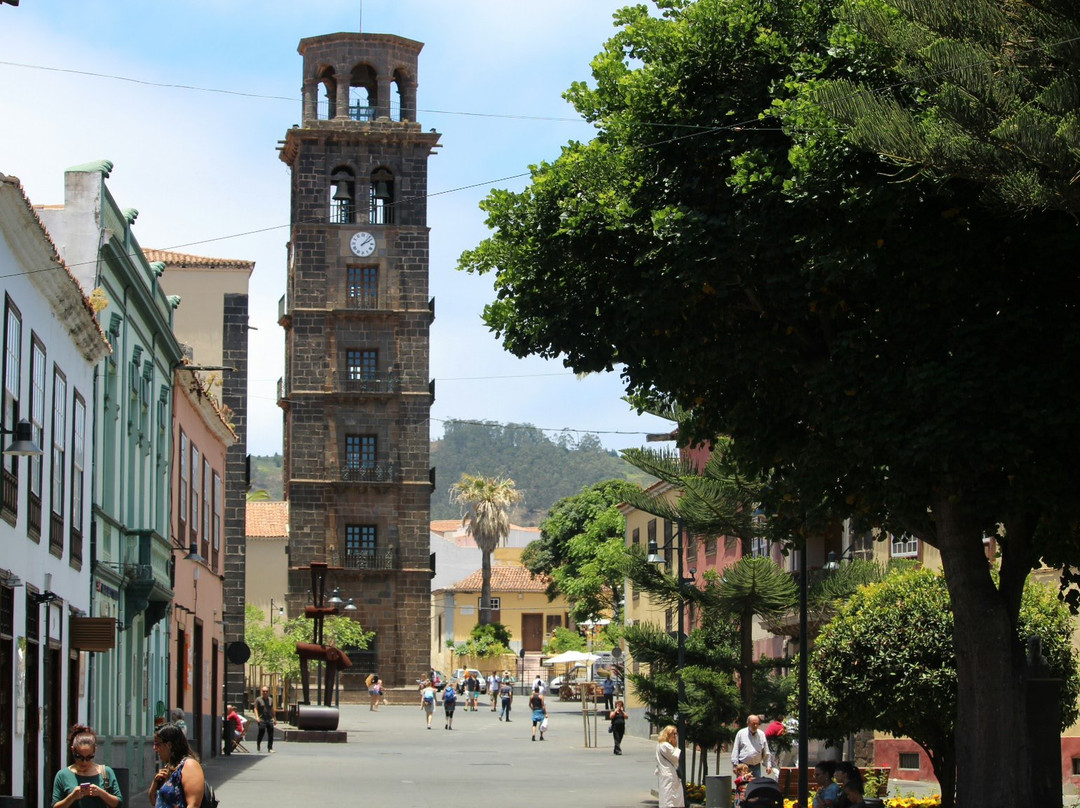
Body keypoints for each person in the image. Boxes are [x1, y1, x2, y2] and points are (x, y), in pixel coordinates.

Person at [51, 724, 123, 808]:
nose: (84, 762)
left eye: (89, 757)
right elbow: (55, 806)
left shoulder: (106, 772)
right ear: (72, 750)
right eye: (79, 757)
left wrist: (101, 793)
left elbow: (118, 803)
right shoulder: (63, 775)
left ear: (95, 751)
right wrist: (72, 797)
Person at [149, 722, 204, 808]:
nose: (154, 748)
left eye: (157, 744)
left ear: (169, 745)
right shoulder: (170, 767)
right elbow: (155, 802)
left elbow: (194, 804)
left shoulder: (189, 765)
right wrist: (155, 783)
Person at [655, 724, 684, 808]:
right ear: (668, 734)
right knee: (670, 798)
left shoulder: (659, 745)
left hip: (665, 774)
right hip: (670, 775)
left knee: (667, 796)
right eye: (674, 734)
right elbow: (675, 757)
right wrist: (676, 746)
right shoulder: (665, 746)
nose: (675, 736)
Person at [254, 685, 275, 753]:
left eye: (266, 691)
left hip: (269, 718)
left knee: (271, 733)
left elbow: (272, 709)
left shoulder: (270, 699)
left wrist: (274, 718)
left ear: (268, 692)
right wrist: (257, 717)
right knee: (261, 731)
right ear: (261, 692)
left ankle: (270, 748)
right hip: (261, 718)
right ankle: (258, 744)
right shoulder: (258, 699)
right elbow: (255, 709)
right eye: (264, 691)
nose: (265, 692)